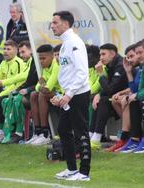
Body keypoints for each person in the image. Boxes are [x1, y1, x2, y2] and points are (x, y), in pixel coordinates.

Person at [50, 10, 91, 181]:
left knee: (80, 131)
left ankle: (84, 173)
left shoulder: (75, 42)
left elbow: (82, 73)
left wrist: (68, 95)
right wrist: (61, 95)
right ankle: (71, 169)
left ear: (66, 24)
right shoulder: (65, 43)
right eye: (52, 23)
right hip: (68, 95)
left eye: (55, 22)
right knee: (63, 130)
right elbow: (67, 73)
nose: (52, 26)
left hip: (78, 95)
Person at [0, 40, 38, 143]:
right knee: (5, 100)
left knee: (14, 100)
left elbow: (22, 78)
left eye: (23, 52)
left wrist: (5, 86)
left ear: (31, 51)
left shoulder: (27, 62)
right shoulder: (24, 62)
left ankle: (18, 133)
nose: (21, 55)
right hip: (24, 90)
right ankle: (6, 131)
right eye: (20, 52)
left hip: (32, 92)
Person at [89, 43, 128, 149]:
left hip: (126, 97)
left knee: (104, 101)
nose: (100, 58)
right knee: (98, 100)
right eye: (100, 55)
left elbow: (111, 89)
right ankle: (91, 135)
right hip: (116, 97)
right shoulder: (111, 64)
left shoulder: (120, 65)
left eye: (103, 54)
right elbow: (110, 88)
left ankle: (96, 137)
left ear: (112, 54)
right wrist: (99, 94)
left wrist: (100, 74)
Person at [106, 43, 141, 152]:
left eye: (132, 56)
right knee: (115, 100)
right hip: (138, 95)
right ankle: (130, 132)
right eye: (128, 57)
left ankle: (124, 138)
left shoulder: (143, 68)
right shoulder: (136, 69)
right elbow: (133, 88)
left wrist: (102, 75)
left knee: (126, 100)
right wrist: (128, 72)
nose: (129, 60)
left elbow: (137, 90)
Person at [26, 44, 61, 146]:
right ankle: (38, 133)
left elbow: (47, 88)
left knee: (42, 94)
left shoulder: (56, 66)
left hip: (63, 95)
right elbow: (38, 86)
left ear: (52, 56)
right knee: (33, 94)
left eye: (43, 58)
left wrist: (42, 85)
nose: (41, 61)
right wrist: (41, 85)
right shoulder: (45, 68)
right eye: (39, 58)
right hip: (53, 94)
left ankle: (45, 134)